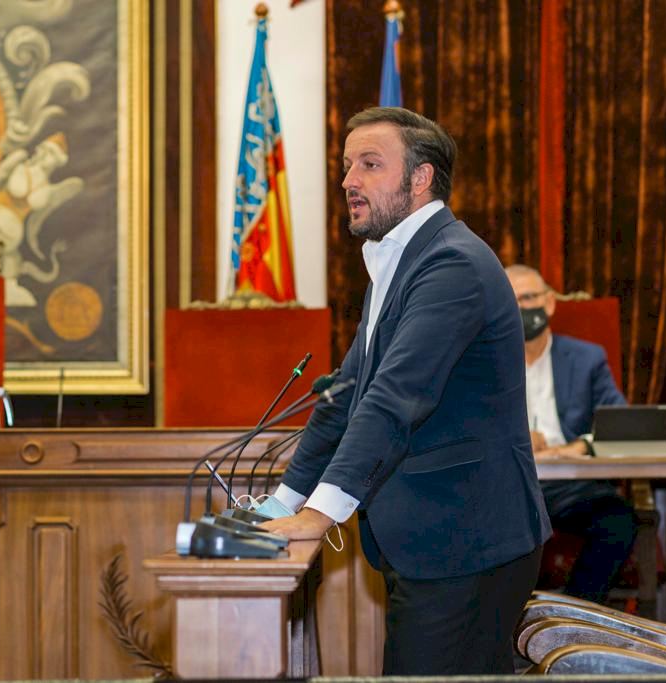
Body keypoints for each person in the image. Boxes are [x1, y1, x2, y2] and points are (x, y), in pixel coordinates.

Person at [260, 107, 551, 675]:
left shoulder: (452, 264)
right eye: (347, 166)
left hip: (468, 541)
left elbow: (395, 398)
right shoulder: (400, 263)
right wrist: (284, 501)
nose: (348, 181)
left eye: (370, 165)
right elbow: (346, 395)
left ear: (420, 178)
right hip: (436, 542)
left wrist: (319, 516)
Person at [506, 264, 637, 604]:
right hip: (511, 484)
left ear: (549, 303)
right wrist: (516, 438)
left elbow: (619, 423)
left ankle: (573, 614)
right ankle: (507, 623)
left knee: (618, 522)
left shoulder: (586, 358)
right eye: (511, 300)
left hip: (572, 484)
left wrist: (580, 446)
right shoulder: (482, 362)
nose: (521, 308)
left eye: (528, 298)